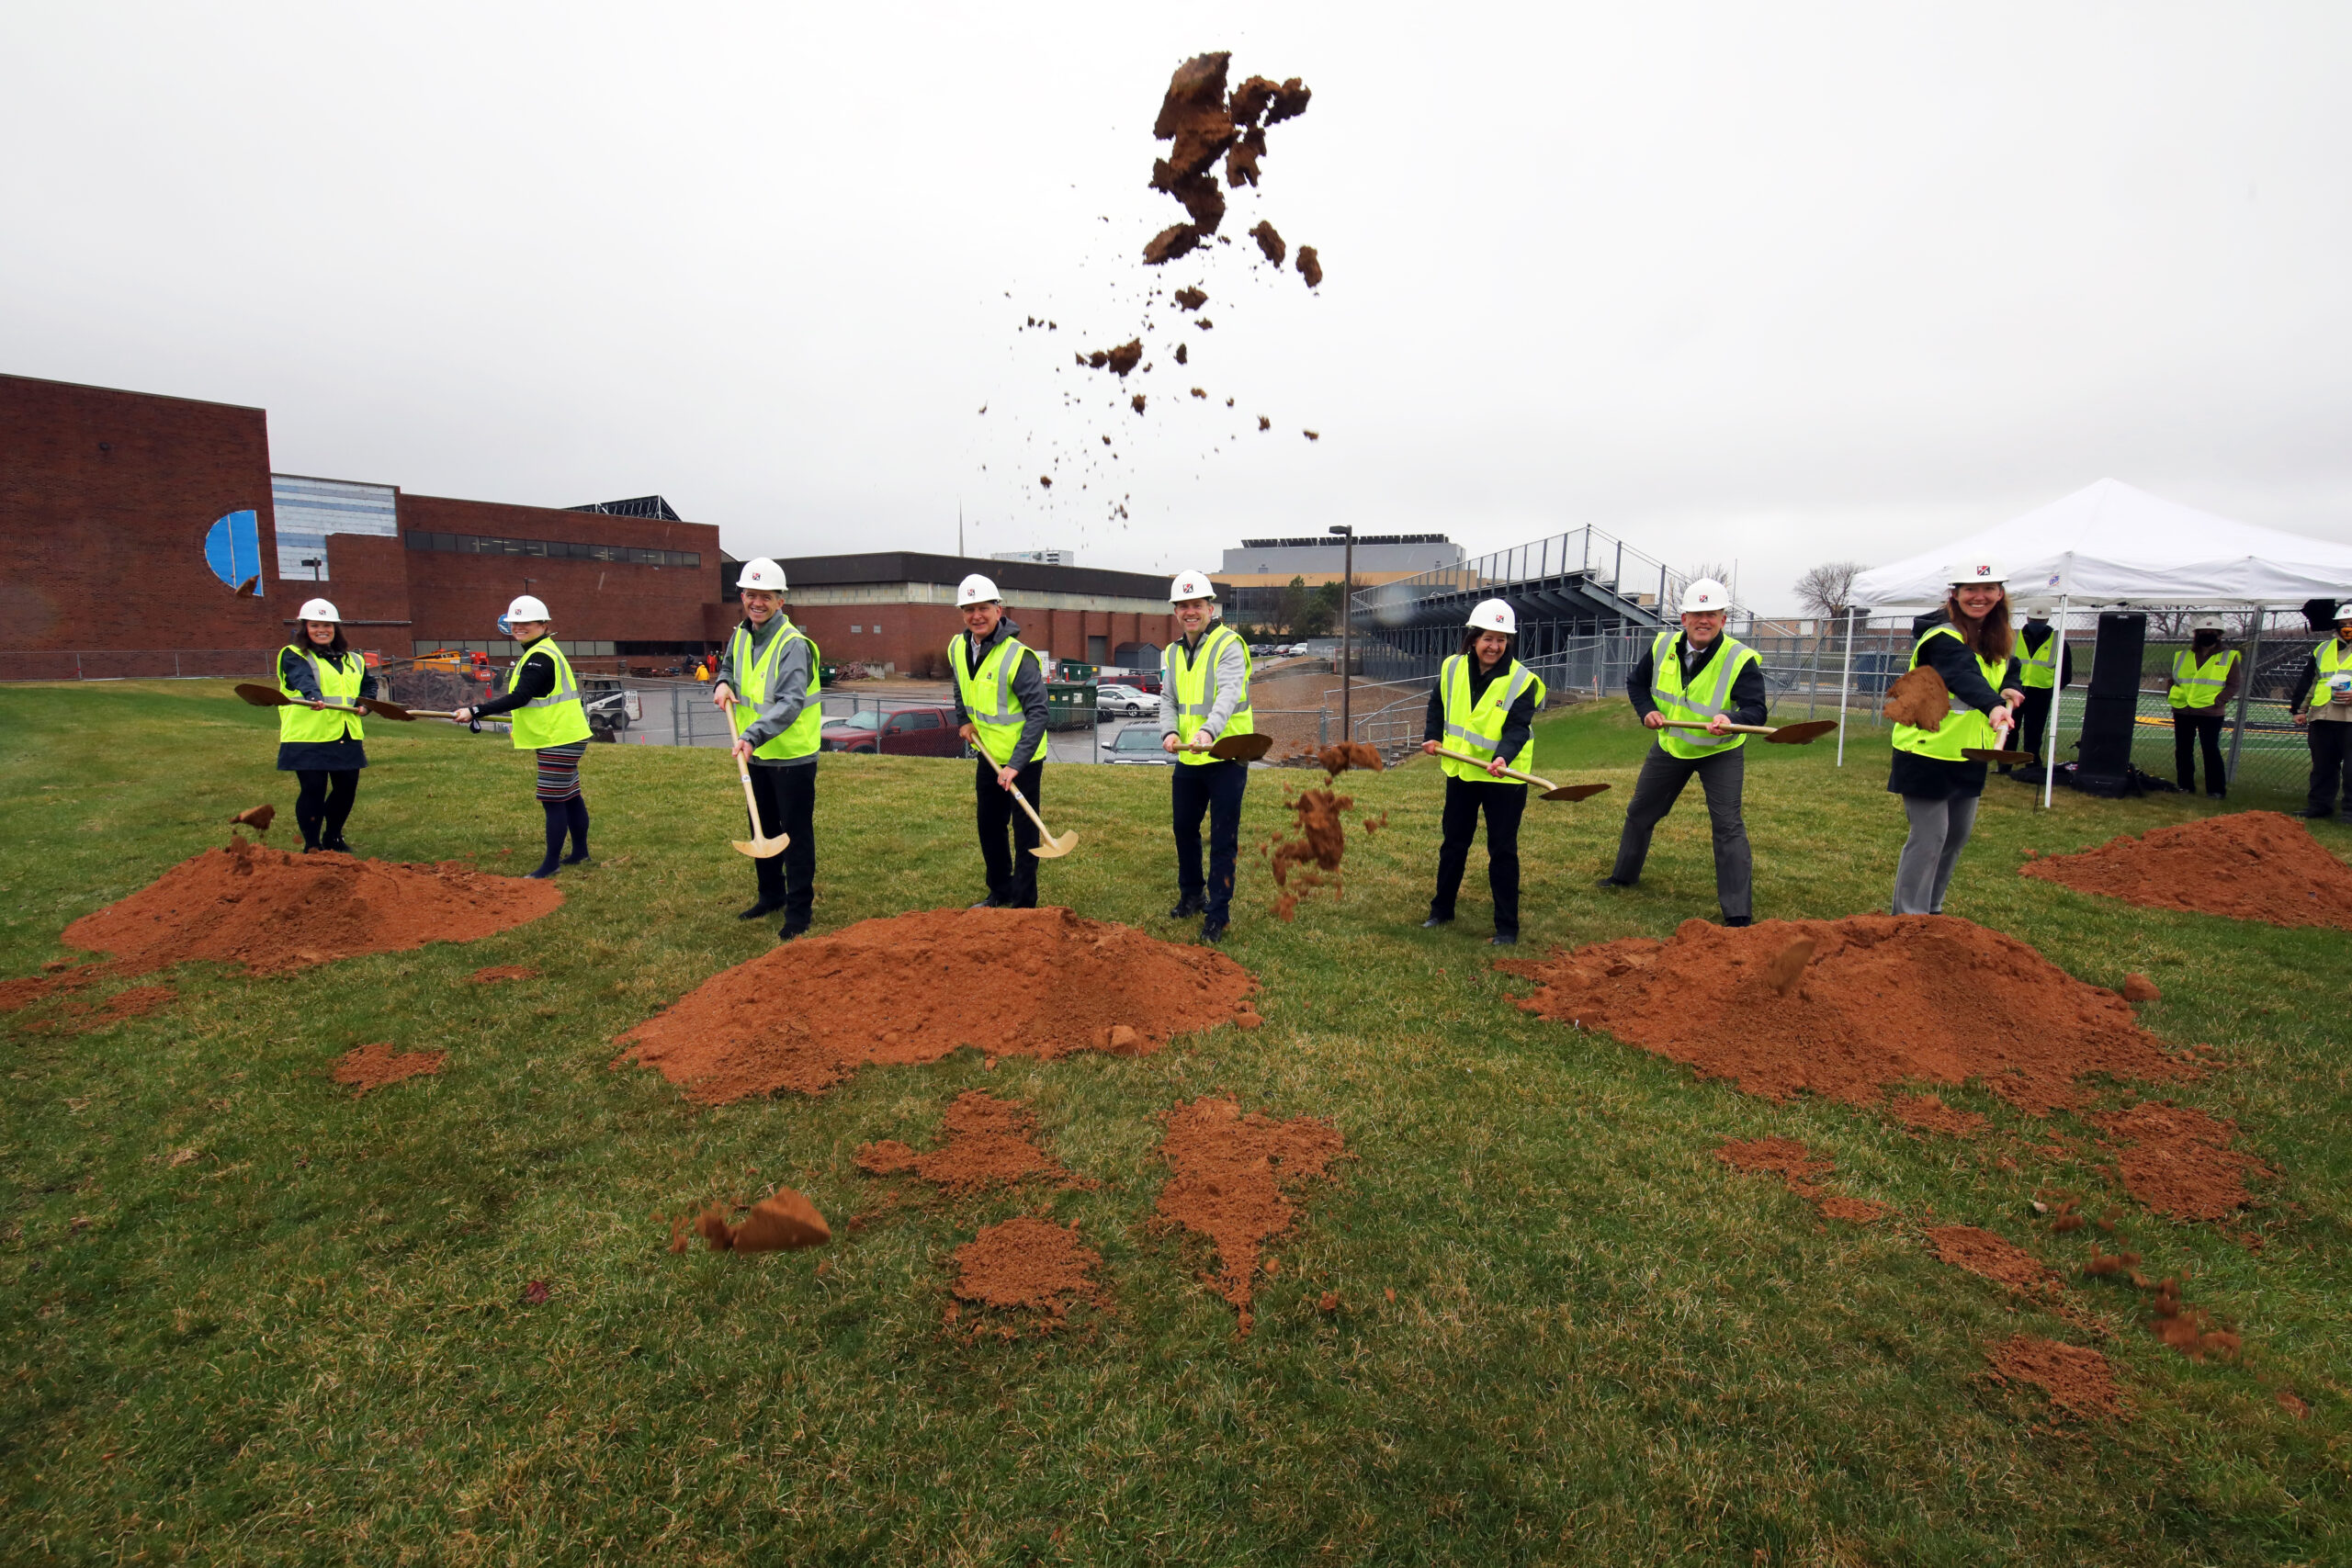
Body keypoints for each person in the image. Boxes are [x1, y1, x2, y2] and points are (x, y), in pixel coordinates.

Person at [1597, 579, 1765, 926]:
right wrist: (1647, 712)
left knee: (1728, 826)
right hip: (1671, 745)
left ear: (1722, 619)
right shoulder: (1661, 646)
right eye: (1697, 614)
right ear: (1684, 618)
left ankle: (1737, 913)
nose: (1704, 621)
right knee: (1640, 812)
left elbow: (1756, 710)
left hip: (1721, 749)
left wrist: (1731, 718)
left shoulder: (1740, 658)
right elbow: (1636, 684)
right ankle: (1624, 876)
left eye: (1712, 615)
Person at [1888, 561, 2023, 916]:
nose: (1979, 597)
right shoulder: (1942, 638)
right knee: (1931, 835)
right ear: (1955, 595)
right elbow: (1961, 674)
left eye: (1989, 589)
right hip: (1926, 750)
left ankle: (1932, 911)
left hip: (1969, 753)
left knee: (1956, 836)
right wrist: (1994, 705)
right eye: (1970, 590)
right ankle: (1908, 917)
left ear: (2000, 594)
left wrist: (2012, 687)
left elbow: (2010, 667)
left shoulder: (1998, 636)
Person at [1419, 599, 1544, 945]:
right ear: (1473, 639)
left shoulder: (1524, 681)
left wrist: (1503, 758)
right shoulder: (1451, 668)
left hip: (1504, 778)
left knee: (1502, 850)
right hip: (1462, 771)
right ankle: (1441, 911)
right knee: (1453, 844)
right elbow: (1437, 703)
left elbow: (1518, 728)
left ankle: (1507, 928)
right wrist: (1432, 735)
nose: (1495, 646)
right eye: (1488, 638)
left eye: (1502, 639)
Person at [712, 558, 821, 941]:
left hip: (791, 756)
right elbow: (727, 667)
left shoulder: (793, 645)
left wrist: (753, 734)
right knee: (763, 828)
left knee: (794, 835)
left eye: (766, 597)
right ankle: (770, 896)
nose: (757, 602)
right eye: (751, 595)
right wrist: (722, 683)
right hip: (755, 754)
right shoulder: (741, 635)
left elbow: (790, 703)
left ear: (780, 601)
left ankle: (798, 910)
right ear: (743, 596)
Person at [450, 595, 594, 879]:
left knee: (553, 800)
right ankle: (579, 852)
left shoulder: (539, 657)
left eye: (526, 622)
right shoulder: (542, 650)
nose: (519, 627)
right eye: (515, 623)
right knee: (570, 796)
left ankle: (550, 864)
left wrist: (474, 710)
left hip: (558, 737)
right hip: (564, 734)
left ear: (543, 624)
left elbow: (519, 697)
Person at [1160, 570, 1255, 943]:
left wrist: (1208, 731)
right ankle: (1192, 895)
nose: (1189, 612)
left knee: (1222, 838)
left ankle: (1218, 913)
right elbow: (1168, 698)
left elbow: (1229, 694)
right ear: (1175, 612)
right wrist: (1169, 731)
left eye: (1196, 604)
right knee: (1184, 827)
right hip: (1190, 758)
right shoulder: (1171, 651)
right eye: (1182, 606)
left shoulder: (1229, 644)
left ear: (1209, 607)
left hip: (1227, 755)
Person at [949, 573, 1051, 908]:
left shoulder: (1017, 657)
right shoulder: (957, 647)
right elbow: (959, 685)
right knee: (989, 826)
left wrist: (1016, 765)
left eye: (983, 608)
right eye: (969, 609)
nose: (976, 616)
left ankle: (1023, 903)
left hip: (1023, 760)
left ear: (998, 609)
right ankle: (1000, 891)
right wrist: (964, 719)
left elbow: (1038, 713)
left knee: (1024, 834)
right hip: (987, 755)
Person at [276, 597, 379, 854]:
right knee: (313, 789)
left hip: (346, 733)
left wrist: (367, 703)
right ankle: (312, 845)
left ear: (336, 629)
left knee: (346, 791)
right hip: (308, 735)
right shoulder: (293, 655)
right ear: (305, 628)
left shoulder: (354, 659)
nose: (322, 630)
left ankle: (333, 838)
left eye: (328, 626)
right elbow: (301, 677)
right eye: (315, 625)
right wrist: (313, 696)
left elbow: (369, 685)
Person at [2167, 615, 2242, 799]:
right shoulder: (2183, 655)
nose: (2207, 635)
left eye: (2211, 632)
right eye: (2203, 632)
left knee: (2210, 750)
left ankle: (2215, 790)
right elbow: (2173, 679)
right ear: (2196, 634)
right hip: (2183, 709)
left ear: (2219, 635)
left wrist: (2218, 701)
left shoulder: (2228, 657)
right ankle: (2185, 785)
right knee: (2183, 750)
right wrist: (2173, 694)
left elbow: (2234, 684)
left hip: (2210, 712)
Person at [2289, 601, 2352, 819]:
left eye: (2351, 622)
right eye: (2343, 622)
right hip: (2323, 715)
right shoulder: (2323, 649)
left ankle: (2350, 812)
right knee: (2322, 767)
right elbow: (2310, 682)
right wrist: (2299, 709)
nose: (2347, 626)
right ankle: (2319, 806)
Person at [2006, 599, 2075, 780]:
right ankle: (2005, 764)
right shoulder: (2013, 638)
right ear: (2028, 618)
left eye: (2040, 620)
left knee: (2034, 731)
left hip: (2040, 693)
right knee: (2009, 728)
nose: (2037, 623)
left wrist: (2051, 690)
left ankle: (2032, 765)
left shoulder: (2058, 642)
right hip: (2015, 689)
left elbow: (2065, 672)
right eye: (2035, 620)